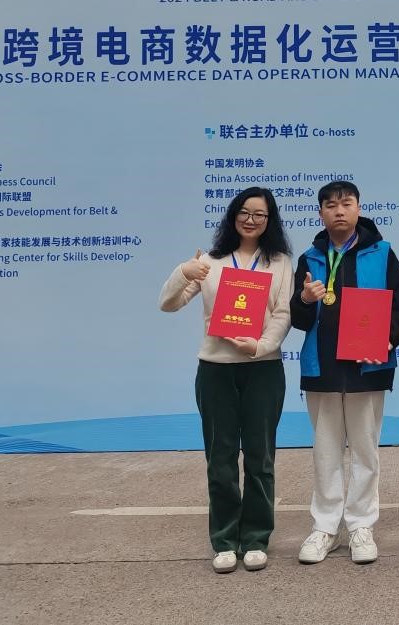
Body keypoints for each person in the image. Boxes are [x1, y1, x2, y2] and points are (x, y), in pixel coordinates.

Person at [158, 187, 293, 574]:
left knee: (260, 457)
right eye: (244, 212)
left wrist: (261, 346)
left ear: (269, 221)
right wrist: (184, 272)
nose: (251, 220)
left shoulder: (280, 262)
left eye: (259, 214)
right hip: (215, 369)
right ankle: (224, 538)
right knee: (220, 457)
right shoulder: (209, 261)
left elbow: (283, 313)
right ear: (233, 215)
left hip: (263, 368)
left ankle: (256, 538)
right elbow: (168, 303)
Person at [289, 181, 399, 565]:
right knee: (325, 451)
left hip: (367, 366)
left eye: (346, 203)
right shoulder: (309, 258)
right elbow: (298, 319)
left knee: (365, 450)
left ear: (358, 208)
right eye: (330, 205)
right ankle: (324, 526)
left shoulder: (382, 254)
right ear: (320, 212)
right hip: (322, 366)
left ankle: (360, 525)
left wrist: (389, 338)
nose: (339, 211)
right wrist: (304, 299)